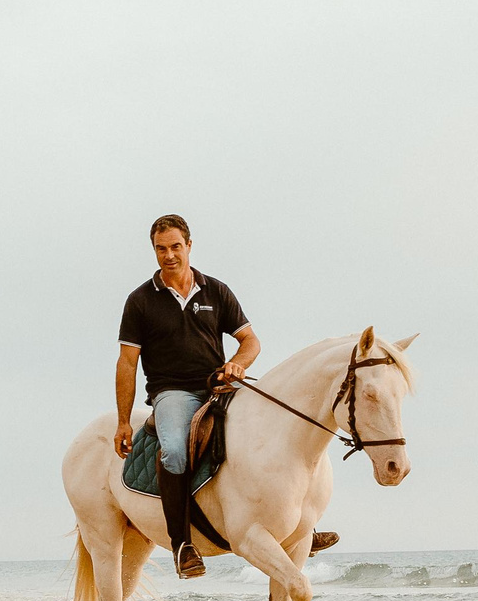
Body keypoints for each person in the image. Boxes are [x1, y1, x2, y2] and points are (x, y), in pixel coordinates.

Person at [114, 214, 335, 579]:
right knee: (172, 449)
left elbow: (250, 341)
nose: (169, 255)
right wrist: (124, 420)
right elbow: (126, 363)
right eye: (160, 249)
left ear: (189, 245)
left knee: (275, 431)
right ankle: (182, 544)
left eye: (175, 247)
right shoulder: (140, 301)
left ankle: (300, 525)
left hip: (219, 386)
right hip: (173, 392)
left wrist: (236, 364)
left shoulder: (215, 290)